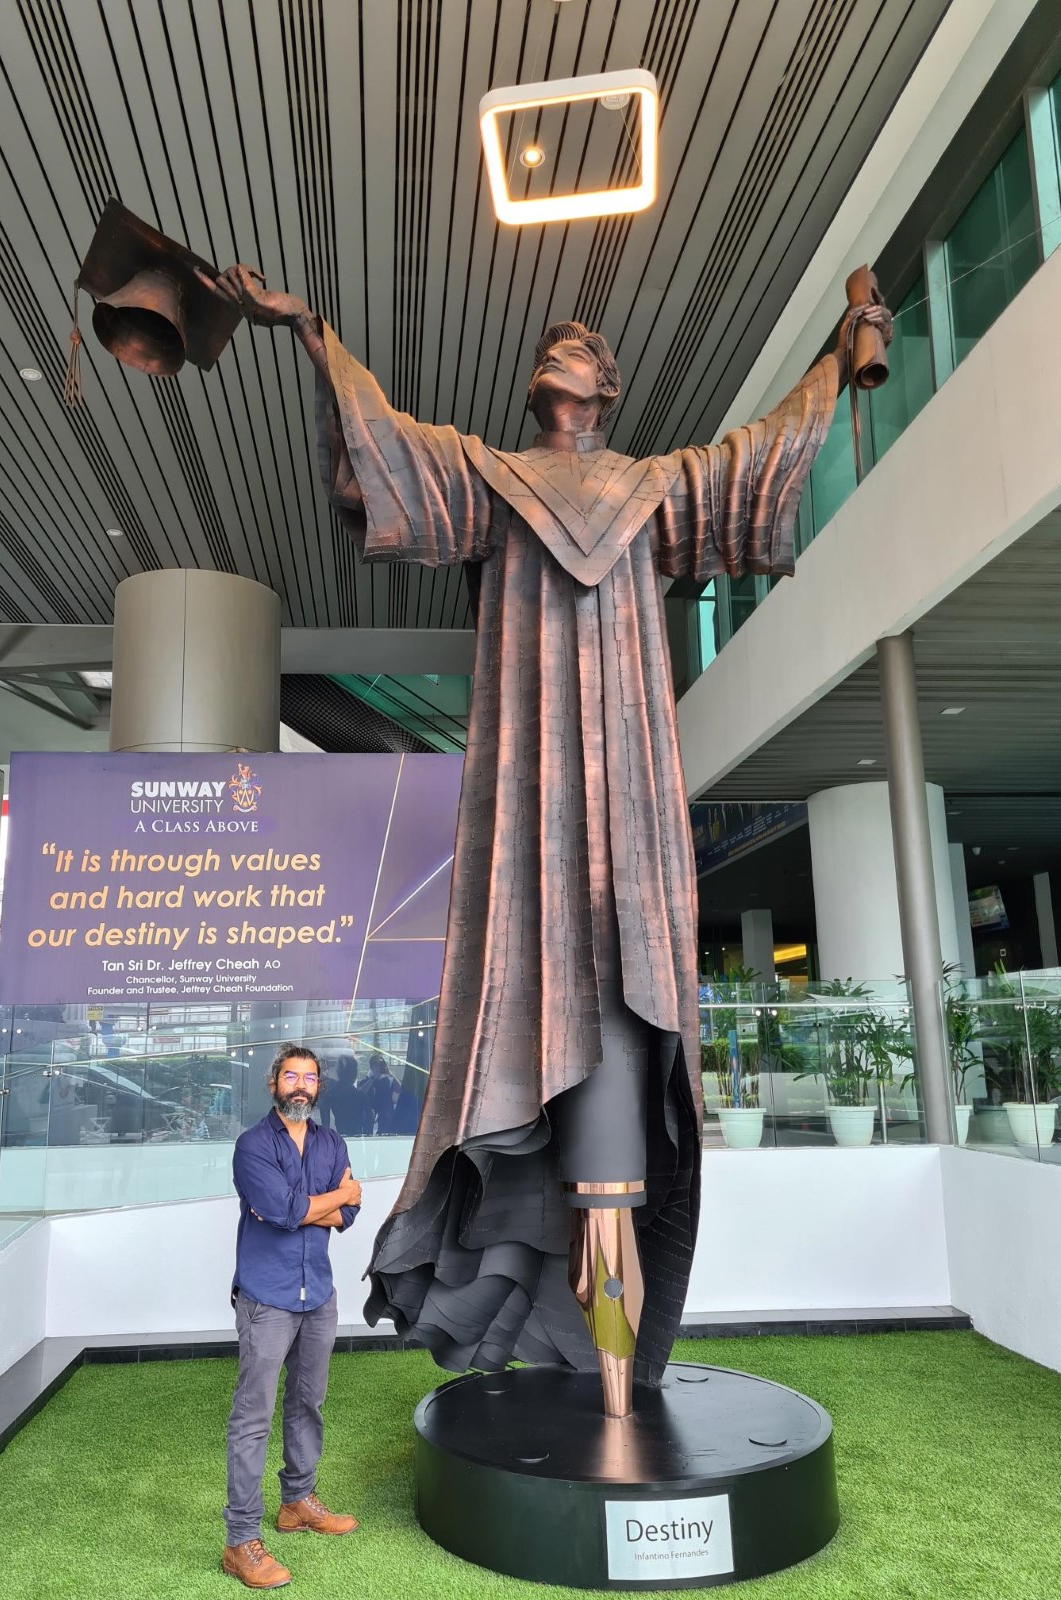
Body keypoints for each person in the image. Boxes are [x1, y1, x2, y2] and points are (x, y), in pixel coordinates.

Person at [212, 261, 890, 1416]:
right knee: (562, 1135)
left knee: (619, 1153)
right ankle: (579, 1353)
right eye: (551, 340)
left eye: (579, 341)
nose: (558, 343)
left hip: (625, 831)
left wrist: (844, 351)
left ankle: (617, 1381)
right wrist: (314, 332)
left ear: (606, 386)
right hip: (530, 846)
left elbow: (760, 457)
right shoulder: (493, 479)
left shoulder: (654, 488)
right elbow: (390, 444)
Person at [222, 1044, 363, 1590]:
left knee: (309, 1401)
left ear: (319, 1087)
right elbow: (281, 1212)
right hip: (267, 1297)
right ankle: (240, 1541)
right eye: (290, 1076)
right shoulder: (253, 1144)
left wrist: (319, 1205)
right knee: (252, 1419)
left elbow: (348, 1212)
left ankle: (297, 1502)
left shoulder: (332, 1142)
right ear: (273, 1083)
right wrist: (332, 1198)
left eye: (309, 1077)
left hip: (318, 1295)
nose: (299, 1085)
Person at [322, 1054, 367, 1137]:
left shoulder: (330, 1095)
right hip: (358, 1139)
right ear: (354, 1074)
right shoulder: (361, 1096)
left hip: (340, 1138)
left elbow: (325, 1124)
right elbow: (368, 1124)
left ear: (338, 1072)